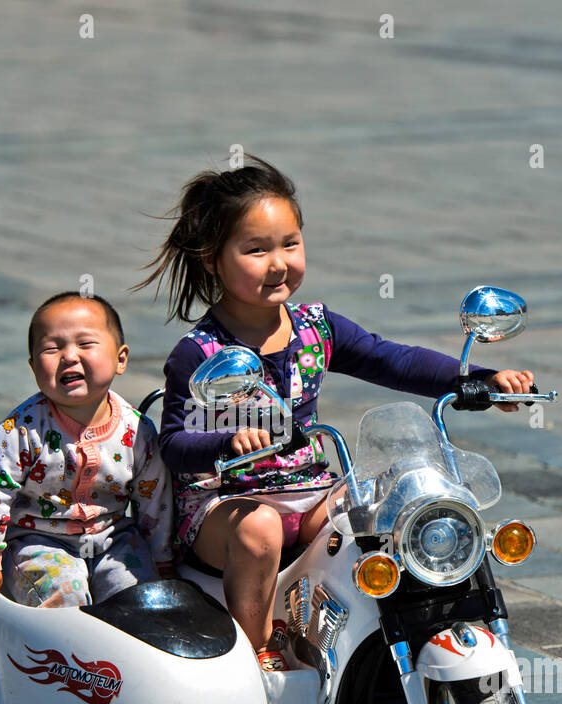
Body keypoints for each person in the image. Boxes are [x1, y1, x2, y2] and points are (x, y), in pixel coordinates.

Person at [134, 156, 535, 669]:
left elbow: (394, 359)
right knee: (259, 531)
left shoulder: (316, 327)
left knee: (388, 503)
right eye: (255, 250)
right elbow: (171, 444)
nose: (278, 262)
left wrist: (479, 379)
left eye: (290, 244)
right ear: (212, 259)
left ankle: (369, 641)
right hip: (226, 506)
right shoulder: (199, 352)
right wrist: (225, 444)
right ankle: (254, 654)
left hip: (310, 490)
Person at [0, 292, 175, 612]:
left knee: (142, 597)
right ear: (34, 367)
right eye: (52, 348)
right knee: (66, 595)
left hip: (113, 540)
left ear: (121, 359)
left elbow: (154, 500)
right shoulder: (19, 431)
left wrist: (163, 560)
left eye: (86, 344)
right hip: (36, 542)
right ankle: (61, 659)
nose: (69, 356)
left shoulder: (137, 431)